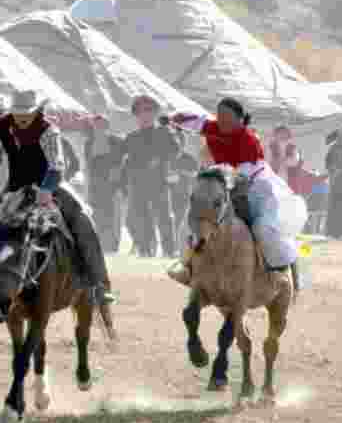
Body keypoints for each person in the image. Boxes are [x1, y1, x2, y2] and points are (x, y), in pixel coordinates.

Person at [0, 90, 116, 327]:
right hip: (15, 188)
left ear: (36, 112)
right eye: (17, 113)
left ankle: (98, 285)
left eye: (26, 114)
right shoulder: (2, 128)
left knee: (83, 221)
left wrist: (46, 189)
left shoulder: (48, 130)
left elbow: (57, 165)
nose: (21, 118)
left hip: (50, 187)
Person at [170, 97, 303, 286]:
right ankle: (186, 266)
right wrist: (173, 118)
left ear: (240, 119)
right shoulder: (213, 127)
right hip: (221, 187)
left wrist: (216, 177)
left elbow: (241, 175)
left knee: (263, 229)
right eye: (220, 116)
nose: (223, 121)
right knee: (189, 223)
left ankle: (280, 270)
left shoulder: (248, 139)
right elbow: (192, 121)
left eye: (228, 117)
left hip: (254, 189)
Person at [120, 95, 181, 257]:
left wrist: (159, 158)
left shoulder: (164, 132)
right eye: (140, 111)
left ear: (155, 113)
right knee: (140, 217)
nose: (145, 114)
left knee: (164, 217)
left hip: (158, 182)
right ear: (136, 115)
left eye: (148, 110)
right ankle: (145, 249)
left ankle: (169, 250)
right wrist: (124, 182)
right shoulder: (131, 137)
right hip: (137, 183)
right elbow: (122, 160)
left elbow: (175, 149)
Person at [83, 114, 126, 253]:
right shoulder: (89, 142)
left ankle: (112, 246)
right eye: (96, 124)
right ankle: (100, 244)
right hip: (95, 184)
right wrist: (88, 186)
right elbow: (88, 165)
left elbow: (122, 162)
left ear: (107, 125)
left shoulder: (116, 141)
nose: (99, 127)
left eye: (102, 124)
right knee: (97, 215)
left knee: (112, 216)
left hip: (112, 184)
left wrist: (120, 182)